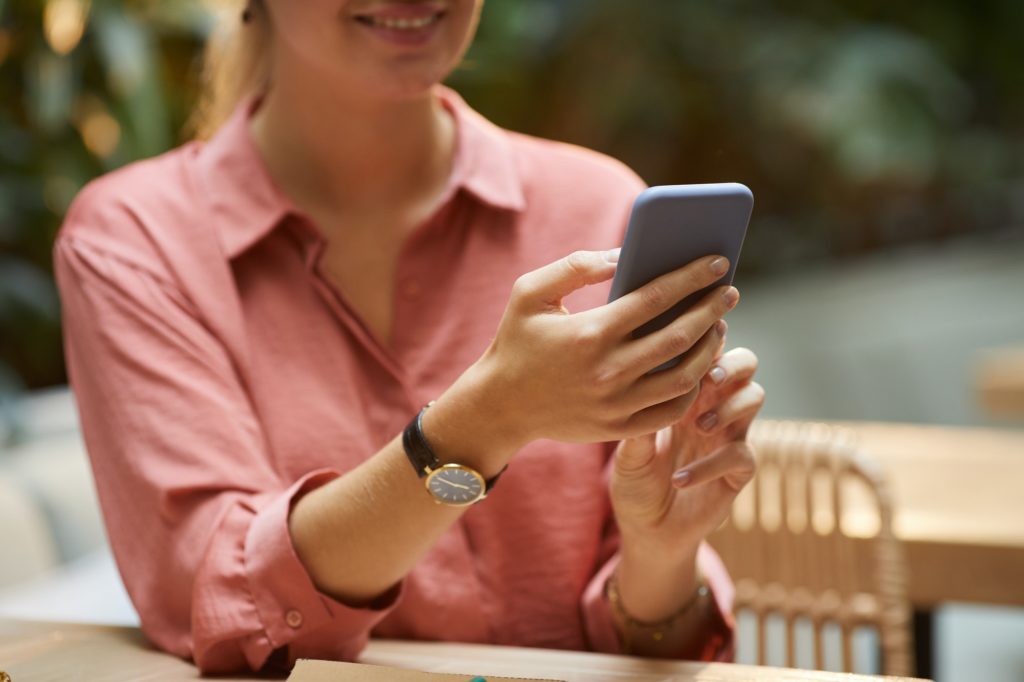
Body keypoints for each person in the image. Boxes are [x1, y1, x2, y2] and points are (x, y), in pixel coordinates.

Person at [53, 0, 764, 674]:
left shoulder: (594, 204)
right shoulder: (136, 245)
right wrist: (487, 420)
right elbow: (219, 598)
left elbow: (651, 640)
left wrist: (661, 552)